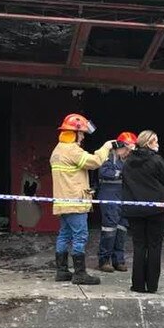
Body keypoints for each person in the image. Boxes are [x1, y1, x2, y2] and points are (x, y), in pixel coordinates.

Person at [50, 113, 113, 285]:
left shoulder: (57, 150)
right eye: (82, 133)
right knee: (80, 236)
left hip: (63, 202)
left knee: (64, 235)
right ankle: (80, 274)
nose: (83, 136)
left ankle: (62, 271)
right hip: (75, 202)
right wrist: (106, 147)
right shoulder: (72, 151)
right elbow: (95, 162)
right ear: (74, 132)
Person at [122, 130, 164, 294]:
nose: (158, 144)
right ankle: (152, 286)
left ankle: (137, 285)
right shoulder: (156, 160)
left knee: (139, 245)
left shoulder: (128, 161)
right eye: (156, 141)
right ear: (148, 143)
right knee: (154, 245)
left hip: (134, 208)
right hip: (157, 209)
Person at [97, 131, 138, 273]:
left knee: (122, 229)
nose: (127, 152)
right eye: (126, 149)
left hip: (124, 198)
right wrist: (122, 173)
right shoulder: (108, 156)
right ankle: (104, 260)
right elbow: (103, 172)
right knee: (109, 229)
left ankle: (118, 260)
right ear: (119, 146)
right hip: (109, 196)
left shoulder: (130, 159)